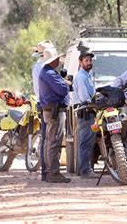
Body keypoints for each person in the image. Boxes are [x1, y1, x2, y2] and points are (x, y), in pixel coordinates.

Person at [39, 47, 72, 183]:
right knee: (54, 142)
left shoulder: (46, 72)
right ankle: (53, 172)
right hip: (55, 111)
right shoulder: (50, 74)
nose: (59, 60)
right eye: (57, 58)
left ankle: (49, 172)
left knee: (49, 142)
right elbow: (62, 89)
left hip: (49, 110)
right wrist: (67, 83)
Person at [73, 50, 99, 179]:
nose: (89, 63)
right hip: (86, 112)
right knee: (86, 143)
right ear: (80, 62)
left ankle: (87, 169)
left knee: (89, 142)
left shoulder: (88, 76)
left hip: (90, 112)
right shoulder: (81, 77)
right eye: (86, 60)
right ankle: (85, 171)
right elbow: (85, 98)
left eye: (90, 60)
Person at [31, 40, 55, 182]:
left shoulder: (38, 67)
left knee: (46, 138)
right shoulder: (43, 69)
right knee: (48, 138)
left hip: (43, 104)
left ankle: (46, 171)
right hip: (47, 104)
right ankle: (47, 171)